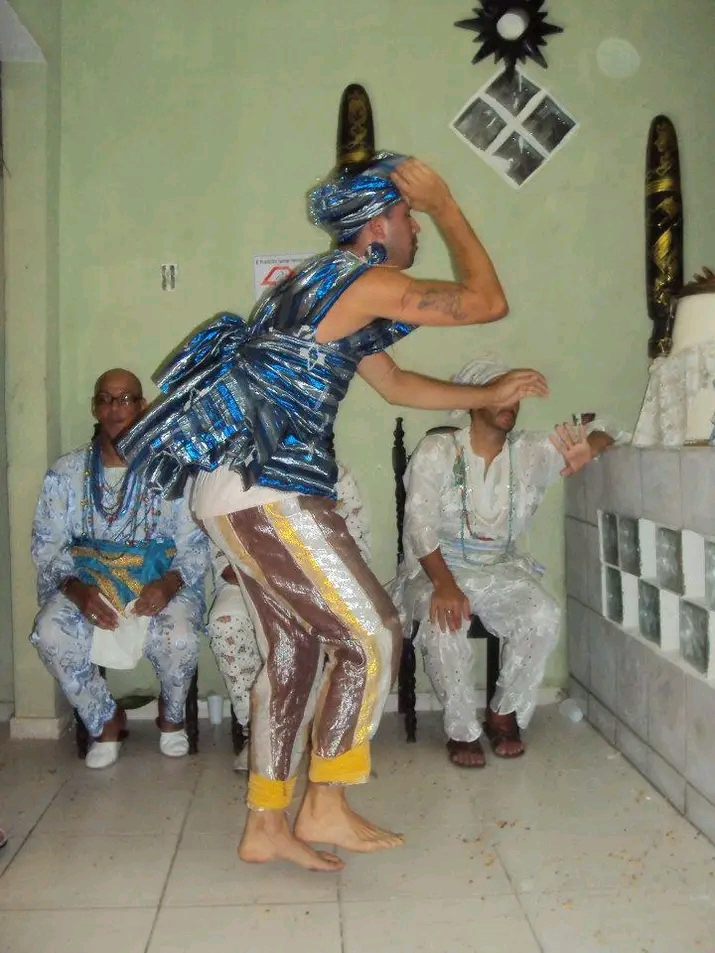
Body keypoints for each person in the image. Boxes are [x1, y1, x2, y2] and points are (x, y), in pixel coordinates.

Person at [119, 154, 550, 872]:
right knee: (372, 633)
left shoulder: (323, 287)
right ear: (376, 225)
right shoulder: (355, 279)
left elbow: (397, 383)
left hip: (239, 491)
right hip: (269, 489)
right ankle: (324, 800)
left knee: (293, 655)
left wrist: (484, 395)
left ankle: (265, 820)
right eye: (407, 216)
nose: (415, 228)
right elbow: (485, 301)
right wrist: (445, 203)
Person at [389, 355, 627, 767]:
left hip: (501, 568)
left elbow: (609, 426)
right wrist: (444, 584)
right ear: (472, 400)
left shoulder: (531, 451)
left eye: (515, 396)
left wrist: (590, 447)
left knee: (543, 614)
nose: (510, 404)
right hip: (435, 569)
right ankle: (461, 730)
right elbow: (418, 525)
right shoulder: (438, 450)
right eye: (501, 393)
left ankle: (504, 712)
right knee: (445, 621)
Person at [30, 369, 210, 769]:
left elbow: (194, 545)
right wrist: (77, 590)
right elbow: (47, 546)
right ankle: (104, 719)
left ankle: (172, 718)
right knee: (50, 632)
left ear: (142, 406)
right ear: (95, 407)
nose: (116, 408)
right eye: (106, 399)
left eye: (126, 399)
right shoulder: (66, 472)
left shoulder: (171, 469)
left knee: (179, 636)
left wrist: (168, 584)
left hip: (159, 581)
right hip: (88, 582)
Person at [207, 461, 372, 772]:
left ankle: (325, 732)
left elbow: (355, 548)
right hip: (249, 581)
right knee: (226, 621)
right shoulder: (233, 474)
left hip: (319, 582)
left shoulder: (332, 473)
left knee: (349, 625)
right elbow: (225, 562)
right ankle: (257, 733)